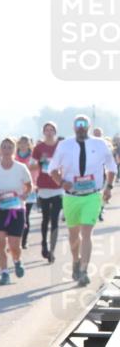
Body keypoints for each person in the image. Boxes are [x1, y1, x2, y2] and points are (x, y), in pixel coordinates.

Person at [48, 114, 117, 286]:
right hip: (72, 197)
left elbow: (111, 167)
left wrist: (108, 188)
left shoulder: (100, 144)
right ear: (73, 127)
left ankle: (84, 271)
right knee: (73, 237)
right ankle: (76, 261)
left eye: (84, 124)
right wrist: (62, 182)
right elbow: (52, 169)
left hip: (92, 195)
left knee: (86, 233)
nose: (81, 127)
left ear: (88, 126)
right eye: (78, 124)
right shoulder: (65, 145)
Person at [0, 137, 32, 285]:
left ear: (14, 150)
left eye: (9, 147)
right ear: (0, 150)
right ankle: (4, 273)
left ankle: (17, 260)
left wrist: (25, 194)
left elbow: (29, 185)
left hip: (16, 209)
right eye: (4, 147)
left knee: (14, 245)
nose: (6, 150)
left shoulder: (21, 168)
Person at [32, 122, 64, 263]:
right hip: (44, 187)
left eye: (52, 130)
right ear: (43, 132)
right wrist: (41, 163)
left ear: (55, 132)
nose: (49, 132)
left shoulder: (61, 146)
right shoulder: (39, 148)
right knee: (46, 218)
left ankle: (52, 250)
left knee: (55, 220)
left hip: (58, 187)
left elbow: (67, 162)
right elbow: (31, 165)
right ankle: (44, 244)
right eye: (47, 130)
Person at [15, 135, 38, 249]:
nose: (23, 145)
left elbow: (36, 170)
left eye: (26, 143)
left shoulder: (33, 157)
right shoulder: (14, 156)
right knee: (17, 216)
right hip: (16, 189)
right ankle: (16, 238)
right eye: (21, 143)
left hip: (29, 189)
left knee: (26, 216)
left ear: (29, 144)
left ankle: (24, 240)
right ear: (18, 144)